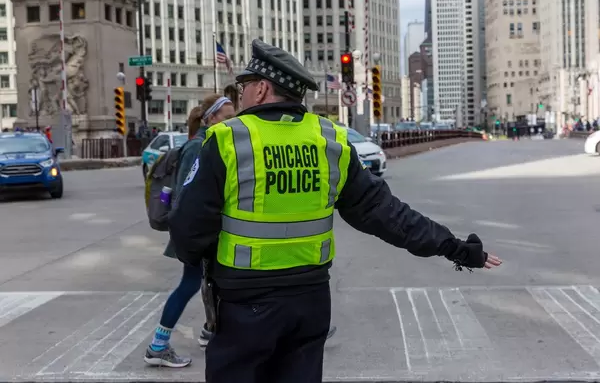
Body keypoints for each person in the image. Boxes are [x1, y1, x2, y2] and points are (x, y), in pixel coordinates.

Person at [169, 39, 503, 382]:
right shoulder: (330, 139)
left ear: (262, 89)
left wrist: (207, 259)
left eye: (244, 85)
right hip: (310, 301)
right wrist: (456, 248)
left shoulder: (226, 139)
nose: (240, 93)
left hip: (244, 302)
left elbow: (187, 231)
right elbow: (387, 214)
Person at [143, 94, 236, 368]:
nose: (234, 122)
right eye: (228, 117)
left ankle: (210, 330)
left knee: (213, 282)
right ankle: (158, 346)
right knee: (190, 285)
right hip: (196, 232)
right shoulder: (199, 147)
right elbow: (187, 193)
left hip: (203, 231)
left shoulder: (213, 142)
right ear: (210, 119)